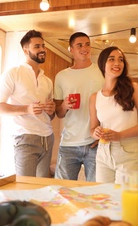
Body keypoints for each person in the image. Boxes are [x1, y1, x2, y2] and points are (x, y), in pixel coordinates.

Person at [0, 30, 56, 178]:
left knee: (42, 188)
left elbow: (51, 116)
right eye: (37, 46)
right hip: (25, 138)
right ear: (25, 50)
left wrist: (51, 110)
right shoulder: (13, 73)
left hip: (47, 138)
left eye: (43, 46)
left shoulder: (47, 81)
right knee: (24, 186)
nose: (42, 50)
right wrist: (27, 109)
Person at [89, 46, 138, 184]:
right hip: (103, 153)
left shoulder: (133, 88)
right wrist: (96, 133)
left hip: (128, 152)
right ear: (102, 64)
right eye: (111, 59)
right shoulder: (95, 97)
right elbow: (92, 129)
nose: (117, 63)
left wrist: (119, 135)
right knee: (104, 198)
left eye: (121, 60)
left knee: (124, 200)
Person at [53, 32, 104, 181]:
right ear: (71, 49)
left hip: (95, 143)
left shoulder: (101, 71)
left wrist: (101, 133)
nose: (84, 48)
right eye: (79, 45)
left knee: (96, 193)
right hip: (69, 143)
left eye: (87, 44)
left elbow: (110, 104)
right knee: (62, 191)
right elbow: (59, 113)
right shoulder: (61, 76)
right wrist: (64, 105)